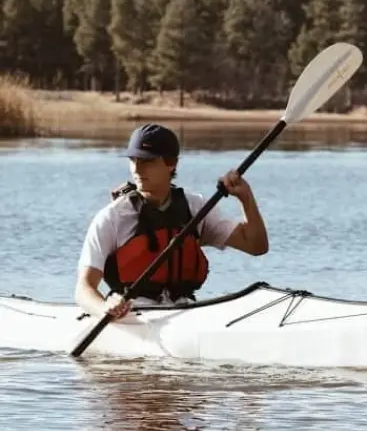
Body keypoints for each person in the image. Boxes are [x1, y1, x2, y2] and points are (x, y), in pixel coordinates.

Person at [75, 123, 269, 321]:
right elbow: (83, 289)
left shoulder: (196, 208)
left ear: (171, 163)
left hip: (185, 311)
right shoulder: (112, 217)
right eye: (133, 160)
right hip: (133, 316)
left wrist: (246, 198)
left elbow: (256, 245)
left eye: (147, 161)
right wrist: (104, 307)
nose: (137, 168)